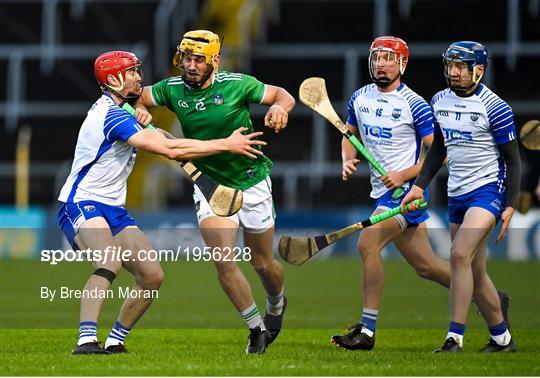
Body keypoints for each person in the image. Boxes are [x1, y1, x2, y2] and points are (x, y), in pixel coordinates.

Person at [58, 50, 266, 355]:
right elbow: (168, 149)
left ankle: (115, 341)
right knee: (109, 261)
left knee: (152, 276)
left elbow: (166, 138)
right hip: (80, 202)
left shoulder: (125, 110)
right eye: (131, 73)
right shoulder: (111, 115)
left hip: (113, 209)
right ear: (114, 79)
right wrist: (226, 144)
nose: (139, 78)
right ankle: (86, 340)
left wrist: (151, 124)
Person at [330, 36, 510, 351]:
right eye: (378, 57)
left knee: (367, 243)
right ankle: (492, 300)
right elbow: (349, 133)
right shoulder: (359, 98)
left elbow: (439, 153)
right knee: (426, 266)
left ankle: (367, 331)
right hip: (381, 192)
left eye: (389, 58)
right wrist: (348, 158)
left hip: (403, 195)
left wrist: (404, 175)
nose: (382, 64)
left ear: (402, 64)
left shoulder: (415, 104)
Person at [137, 30, 295, 354]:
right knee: (223, 261)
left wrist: (281, 109)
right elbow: (137, 96)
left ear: (214, 62)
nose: (191, 66)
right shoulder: (172, 88)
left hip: (251, 179)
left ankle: (277, 304)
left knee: (263, 263)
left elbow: (282, 95)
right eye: (186, 59)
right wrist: (140, 110)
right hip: (209, 184)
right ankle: (256, 329)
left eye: (198, 60)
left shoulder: (238, 84)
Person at [401, 41, 521, 353]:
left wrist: (509, 204)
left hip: (488, 191)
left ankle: (454, 338)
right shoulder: (439, 100)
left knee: (457, 255)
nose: (453, 73)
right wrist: (418, 185)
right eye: (450, 66)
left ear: (479, 70)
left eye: (460, 67)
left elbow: (513, 160)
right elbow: (438, 147)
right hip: (458, 193)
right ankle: (502, 338)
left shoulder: (495, 108)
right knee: (475, 272)